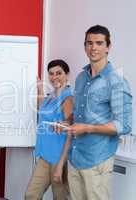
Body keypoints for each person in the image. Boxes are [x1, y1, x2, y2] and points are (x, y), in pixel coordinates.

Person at [67, 25, 132, 200]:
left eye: (99, 43)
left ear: (108, 47)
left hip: (97, 159)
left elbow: (123, 125)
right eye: (89, 43)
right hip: (75, 156)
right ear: (84, 46)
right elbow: (80, 113)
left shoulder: (117, 81)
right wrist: (68, 122)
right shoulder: (81, 77)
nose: (93, 47)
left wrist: (87, 128)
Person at [25, 59, 73, 200]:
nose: (54, 77)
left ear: (67, 74)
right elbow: (42, 109)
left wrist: (64, 124)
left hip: (59, 157)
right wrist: (40, 89)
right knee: (31, 195)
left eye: (59, 73)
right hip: (45, 155)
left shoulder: (68, 98)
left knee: (60, 197)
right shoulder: (51, 96)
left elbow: (71, 126)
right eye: (51, 74)